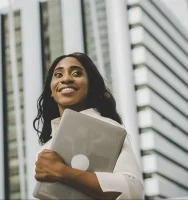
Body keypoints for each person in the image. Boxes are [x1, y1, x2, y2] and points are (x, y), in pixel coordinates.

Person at [33, 52, 144, 199]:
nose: (66, 78)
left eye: (76, 73)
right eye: (58, 75)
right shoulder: (44, 149)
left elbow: (133, 190)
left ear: (90, 86)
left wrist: (63, 172)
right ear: (51, 91)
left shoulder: (109, 130)